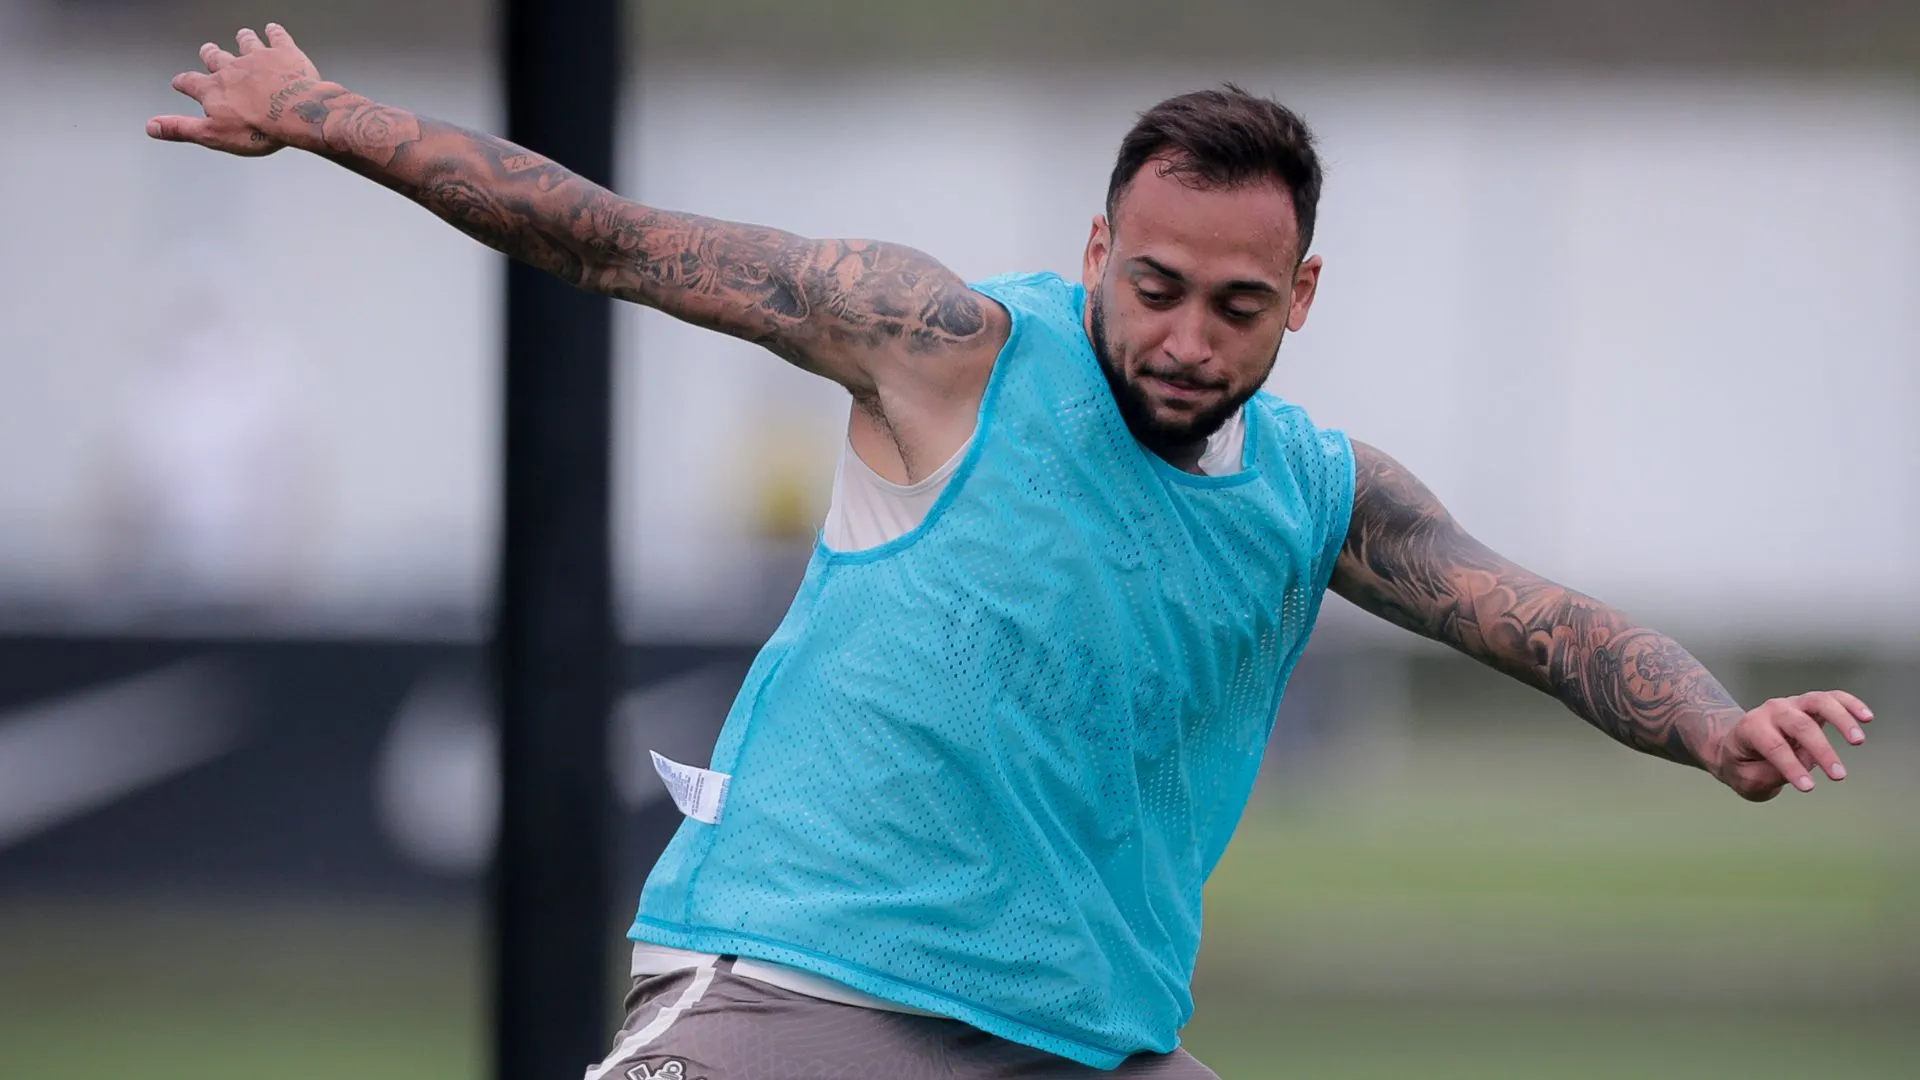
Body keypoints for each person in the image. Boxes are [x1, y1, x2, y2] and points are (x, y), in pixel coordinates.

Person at [150, 25, 1877, 1079]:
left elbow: (1539, 620)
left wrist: (1711, 726)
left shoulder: (1320, 491)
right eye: (1153, 286)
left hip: (1082, 1045)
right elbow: (611, 239)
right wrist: (327, 116)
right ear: (1096, 249)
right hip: (811, 986)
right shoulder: (944, 348)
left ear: (1303, 304)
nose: (1187, 336)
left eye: (1238, 305)